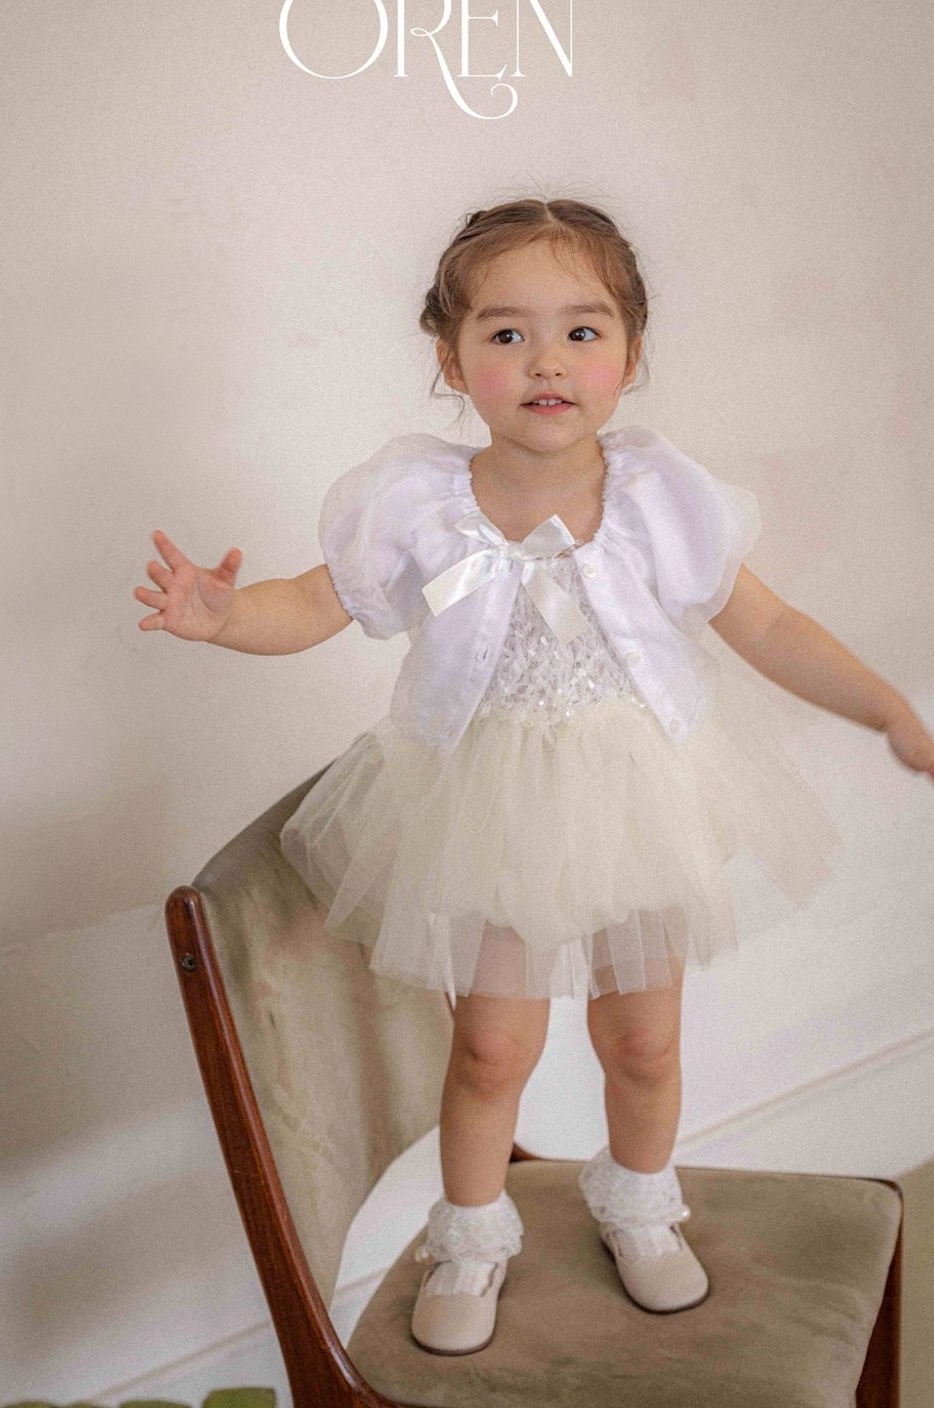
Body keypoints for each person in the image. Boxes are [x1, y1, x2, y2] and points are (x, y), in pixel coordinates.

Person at [134, 196, 934, 1357]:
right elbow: (312, 602)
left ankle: (639, 1201)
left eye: (581, 330)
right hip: (490, 811)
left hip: (639, 805)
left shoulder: (661, 499)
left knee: (643, 1041)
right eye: (506, 333)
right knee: (490, 1048)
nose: (546, 360)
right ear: (449, 360)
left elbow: (769, 626)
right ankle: (470, 1232)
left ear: (631, 354)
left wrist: (889, 708)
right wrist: (224, 616)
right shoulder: (417, 505)